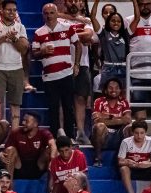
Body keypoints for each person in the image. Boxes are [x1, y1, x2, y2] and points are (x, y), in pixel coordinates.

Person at [31, 3, 80, 138]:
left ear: (57, 13)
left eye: (52, 12)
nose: (49, 15)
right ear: (43, 15)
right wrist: (42, 51)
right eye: (46, 13)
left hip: (66, 74)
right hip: (49, 77)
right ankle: (54, 137)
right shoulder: (38, 32)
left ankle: (70, 137)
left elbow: (78, 44)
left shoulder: (68, 27)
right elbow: (34, 53)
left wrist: (76, 64)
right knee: (53, 108)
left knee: (68, 107)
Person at [0, 0, 28, 127]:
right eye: (9, 10)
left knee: (15, 104)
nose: (12, 12)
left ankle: (14, 134)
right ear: (2, 11)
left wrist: (14, 39)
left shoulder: (20, 27)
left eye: (14, 10)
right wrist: (4, 37)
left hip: (16, 68)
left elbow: (24, 49)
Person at [61, 0, 94, 144]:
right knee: (64, 100)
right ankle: (63, 132)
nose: (74, 3)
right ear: (65, 3)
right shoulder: (59, 18)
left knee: (80, 99)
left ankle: (80, 132)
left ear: (82, 4)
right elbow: (58, 34)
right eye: (70, 0)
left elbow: (88, 35)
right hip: (62, 64)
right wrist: (76, 25)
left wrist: (68, 34)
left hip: (83, 64)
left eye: (78, 0)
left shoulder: (87, 21)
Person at [117, 119, 151, 193]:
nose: (139, 136)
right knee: (124, 169)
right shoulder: (126, 142)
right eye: (136, 133)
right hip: (132, 169)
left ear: (145, 132)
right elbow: (120, 161)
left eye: (142, 133)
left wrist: (148, 164)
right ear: (132, 132)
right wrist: (127, 162)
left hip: (146, 169)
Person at [0, 111, 57, 179]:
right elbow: (5, 151)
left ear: (35, 124)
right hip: (19, 167)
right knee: (10, 150)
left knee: (51, 151)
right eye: (23, 120)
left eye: (27, 121)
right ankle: (9, 186)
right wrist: (0, 155)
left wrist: (52, 159)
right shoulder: (16, 133)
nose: (23, 123)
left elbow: (53, 145)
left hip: (38, 166)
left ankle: (51, 185)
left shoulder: (44, 133)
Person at [91, 77, 131, 167]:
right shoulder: (99, 101)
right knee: (100, 126)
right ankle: (98, 158)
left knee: (130, 127)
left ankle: (127, 158)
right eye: (110, 88)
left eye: (117, 88)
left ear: (120, 90)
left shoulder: (124, 102)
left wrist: (107, 117)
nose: (114, 90)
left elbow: (128, 120)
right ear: (105, 90)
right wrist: (119, 119)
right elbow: (97, 121)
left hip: (119, 134)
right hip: (103, 136)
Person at [92, 3, 127, 95]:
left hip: (123, 67)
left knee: (123, 94)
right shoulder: (102, 32)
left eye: (111, 12)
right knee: (106, 93)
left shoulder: (125, 33)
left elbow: (137, 18)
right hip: (107, 67)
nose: (108, 14)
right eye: (105, 12)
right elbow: (92, 17)